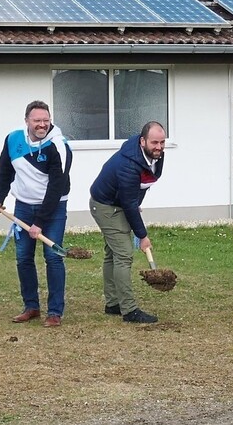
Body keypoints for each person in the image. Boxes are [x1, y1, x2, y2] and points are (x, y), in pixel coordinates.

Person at [0, 100, 72, 327]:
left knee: (53, 258)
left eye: (46, 120)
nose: (42, 125)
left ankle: (55, 312)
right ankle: (31, 307)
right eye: (37, 121)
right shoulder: (13, 139)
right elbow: (5, 170)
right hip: (23, 206)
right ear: (26, 121)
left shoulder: (59, 146)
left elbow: (56, 186)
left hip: (53, 208)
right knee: (23, 257)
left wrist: (39, 222)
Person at [89, 121, 166, 324]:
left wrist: (134, 201)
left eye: (162, 142)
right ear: (142, 141)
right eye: (154, 142)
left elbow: (141, 185)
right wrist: (142, 235)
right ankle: (129, 310)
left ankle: (113, 303)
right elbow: (129, 203)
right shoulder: (129, 164)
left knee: (112, 253)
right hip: (105, 206)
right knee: (123, 254)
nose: (158, 147)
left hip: (119, 202)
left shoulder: (154, 155)